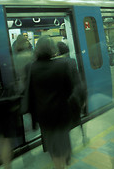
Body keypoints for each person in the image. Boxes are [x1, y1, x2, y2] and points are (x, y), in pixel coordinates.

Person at [26, 36, 81, 169]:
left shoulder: (32, 68)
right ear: (52, 49)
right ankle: (64, 161)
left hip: (44, 115)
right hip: (61, 112)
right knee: (62, 141)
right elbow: (69, 89)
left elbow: (30, 94)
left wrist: (34, 116)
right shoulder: (61, 65)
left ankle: (59, 165)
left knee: (52, 144)